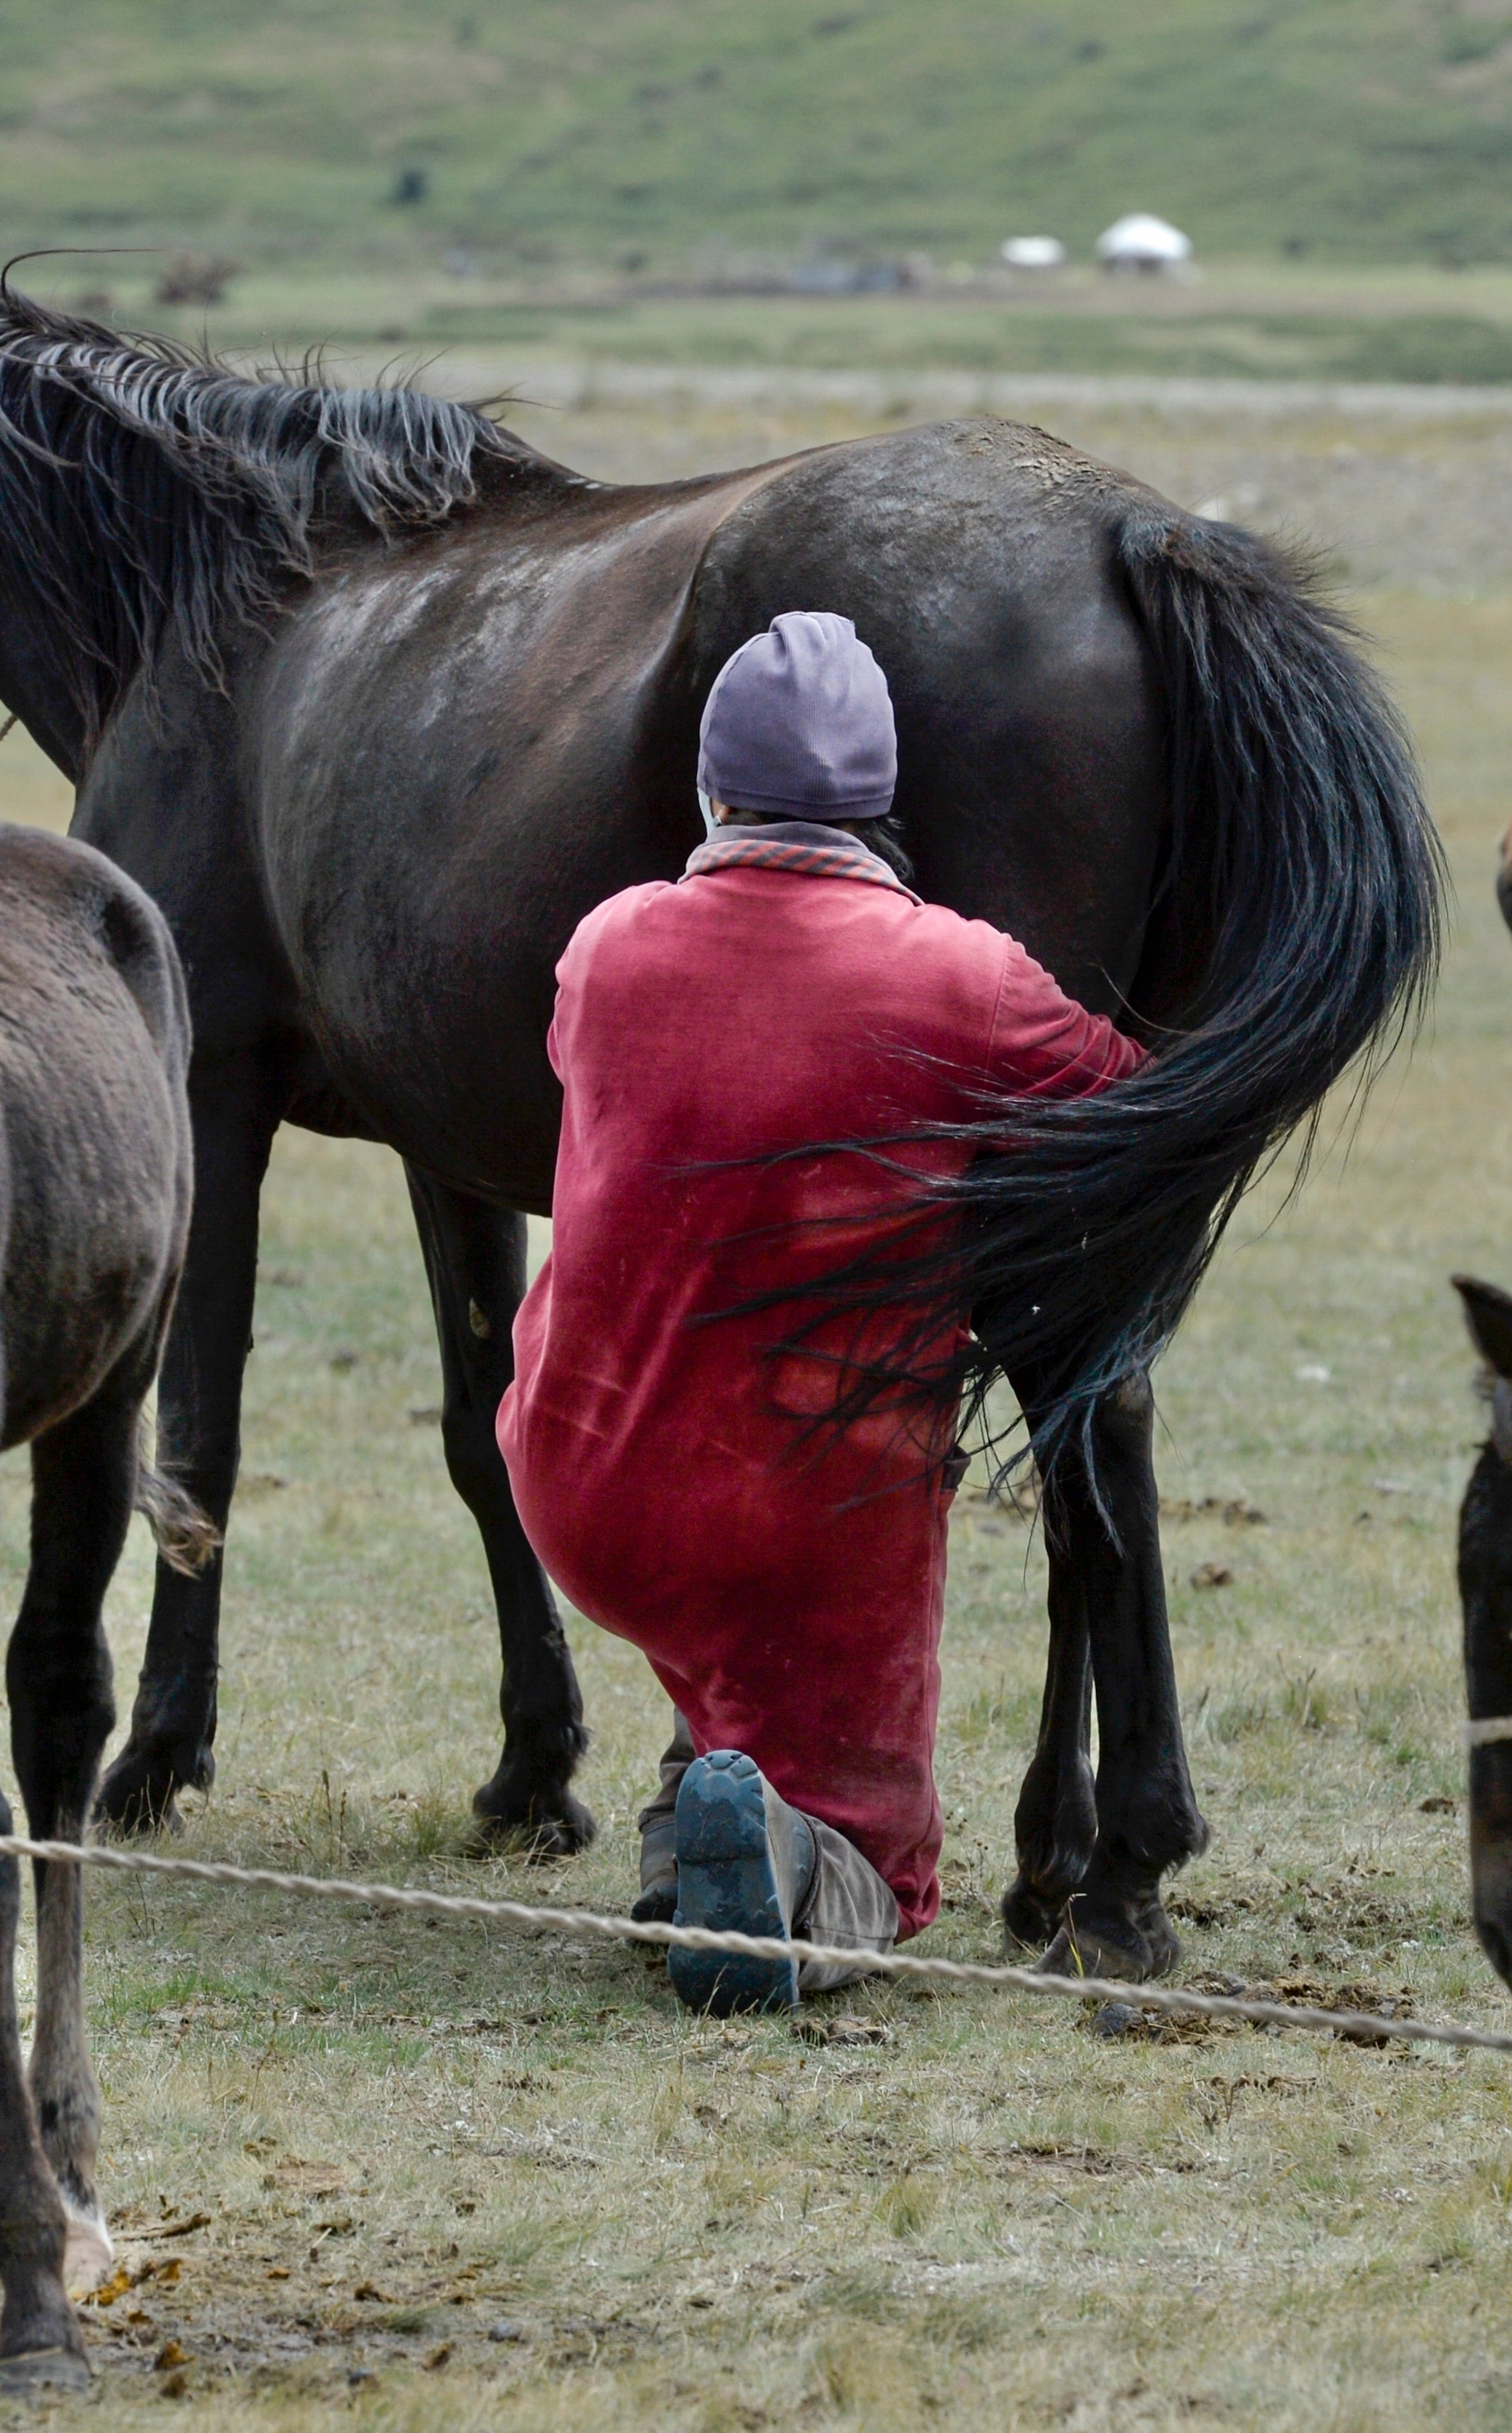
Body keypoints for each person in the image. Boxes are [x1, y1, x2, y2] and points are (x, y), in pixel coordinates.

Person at [496, 611, 1149, 2013]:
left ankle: (702, 1813)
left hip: (581, 1477)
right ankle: (798, 1875)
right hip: (804, 1516)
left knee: (713, 1634)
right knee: (884, 1863)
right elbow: (1124, 1097)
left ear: (712, 793)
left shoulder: (605, 945)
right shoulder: (963, 976)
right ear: (882, 804)